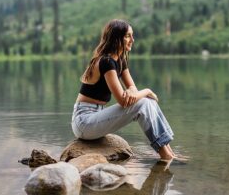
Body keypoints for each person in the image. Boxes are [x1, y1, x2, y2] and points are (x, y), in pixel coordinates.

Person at [71, 19, 183, 162]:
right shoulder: (106, 62)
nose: (132, 40)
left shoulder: (120, 60)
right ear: (117, 38)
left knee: (148, 102)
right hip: (84, 122)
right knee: (143, 102)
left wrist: (132, 91)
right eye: (128, 36)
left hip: (96, 116)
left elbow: (133, 88)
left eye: (132, 35)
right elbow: (124, 101)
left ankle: (169, 152)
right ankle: (165, 156)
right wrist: (147, 90)